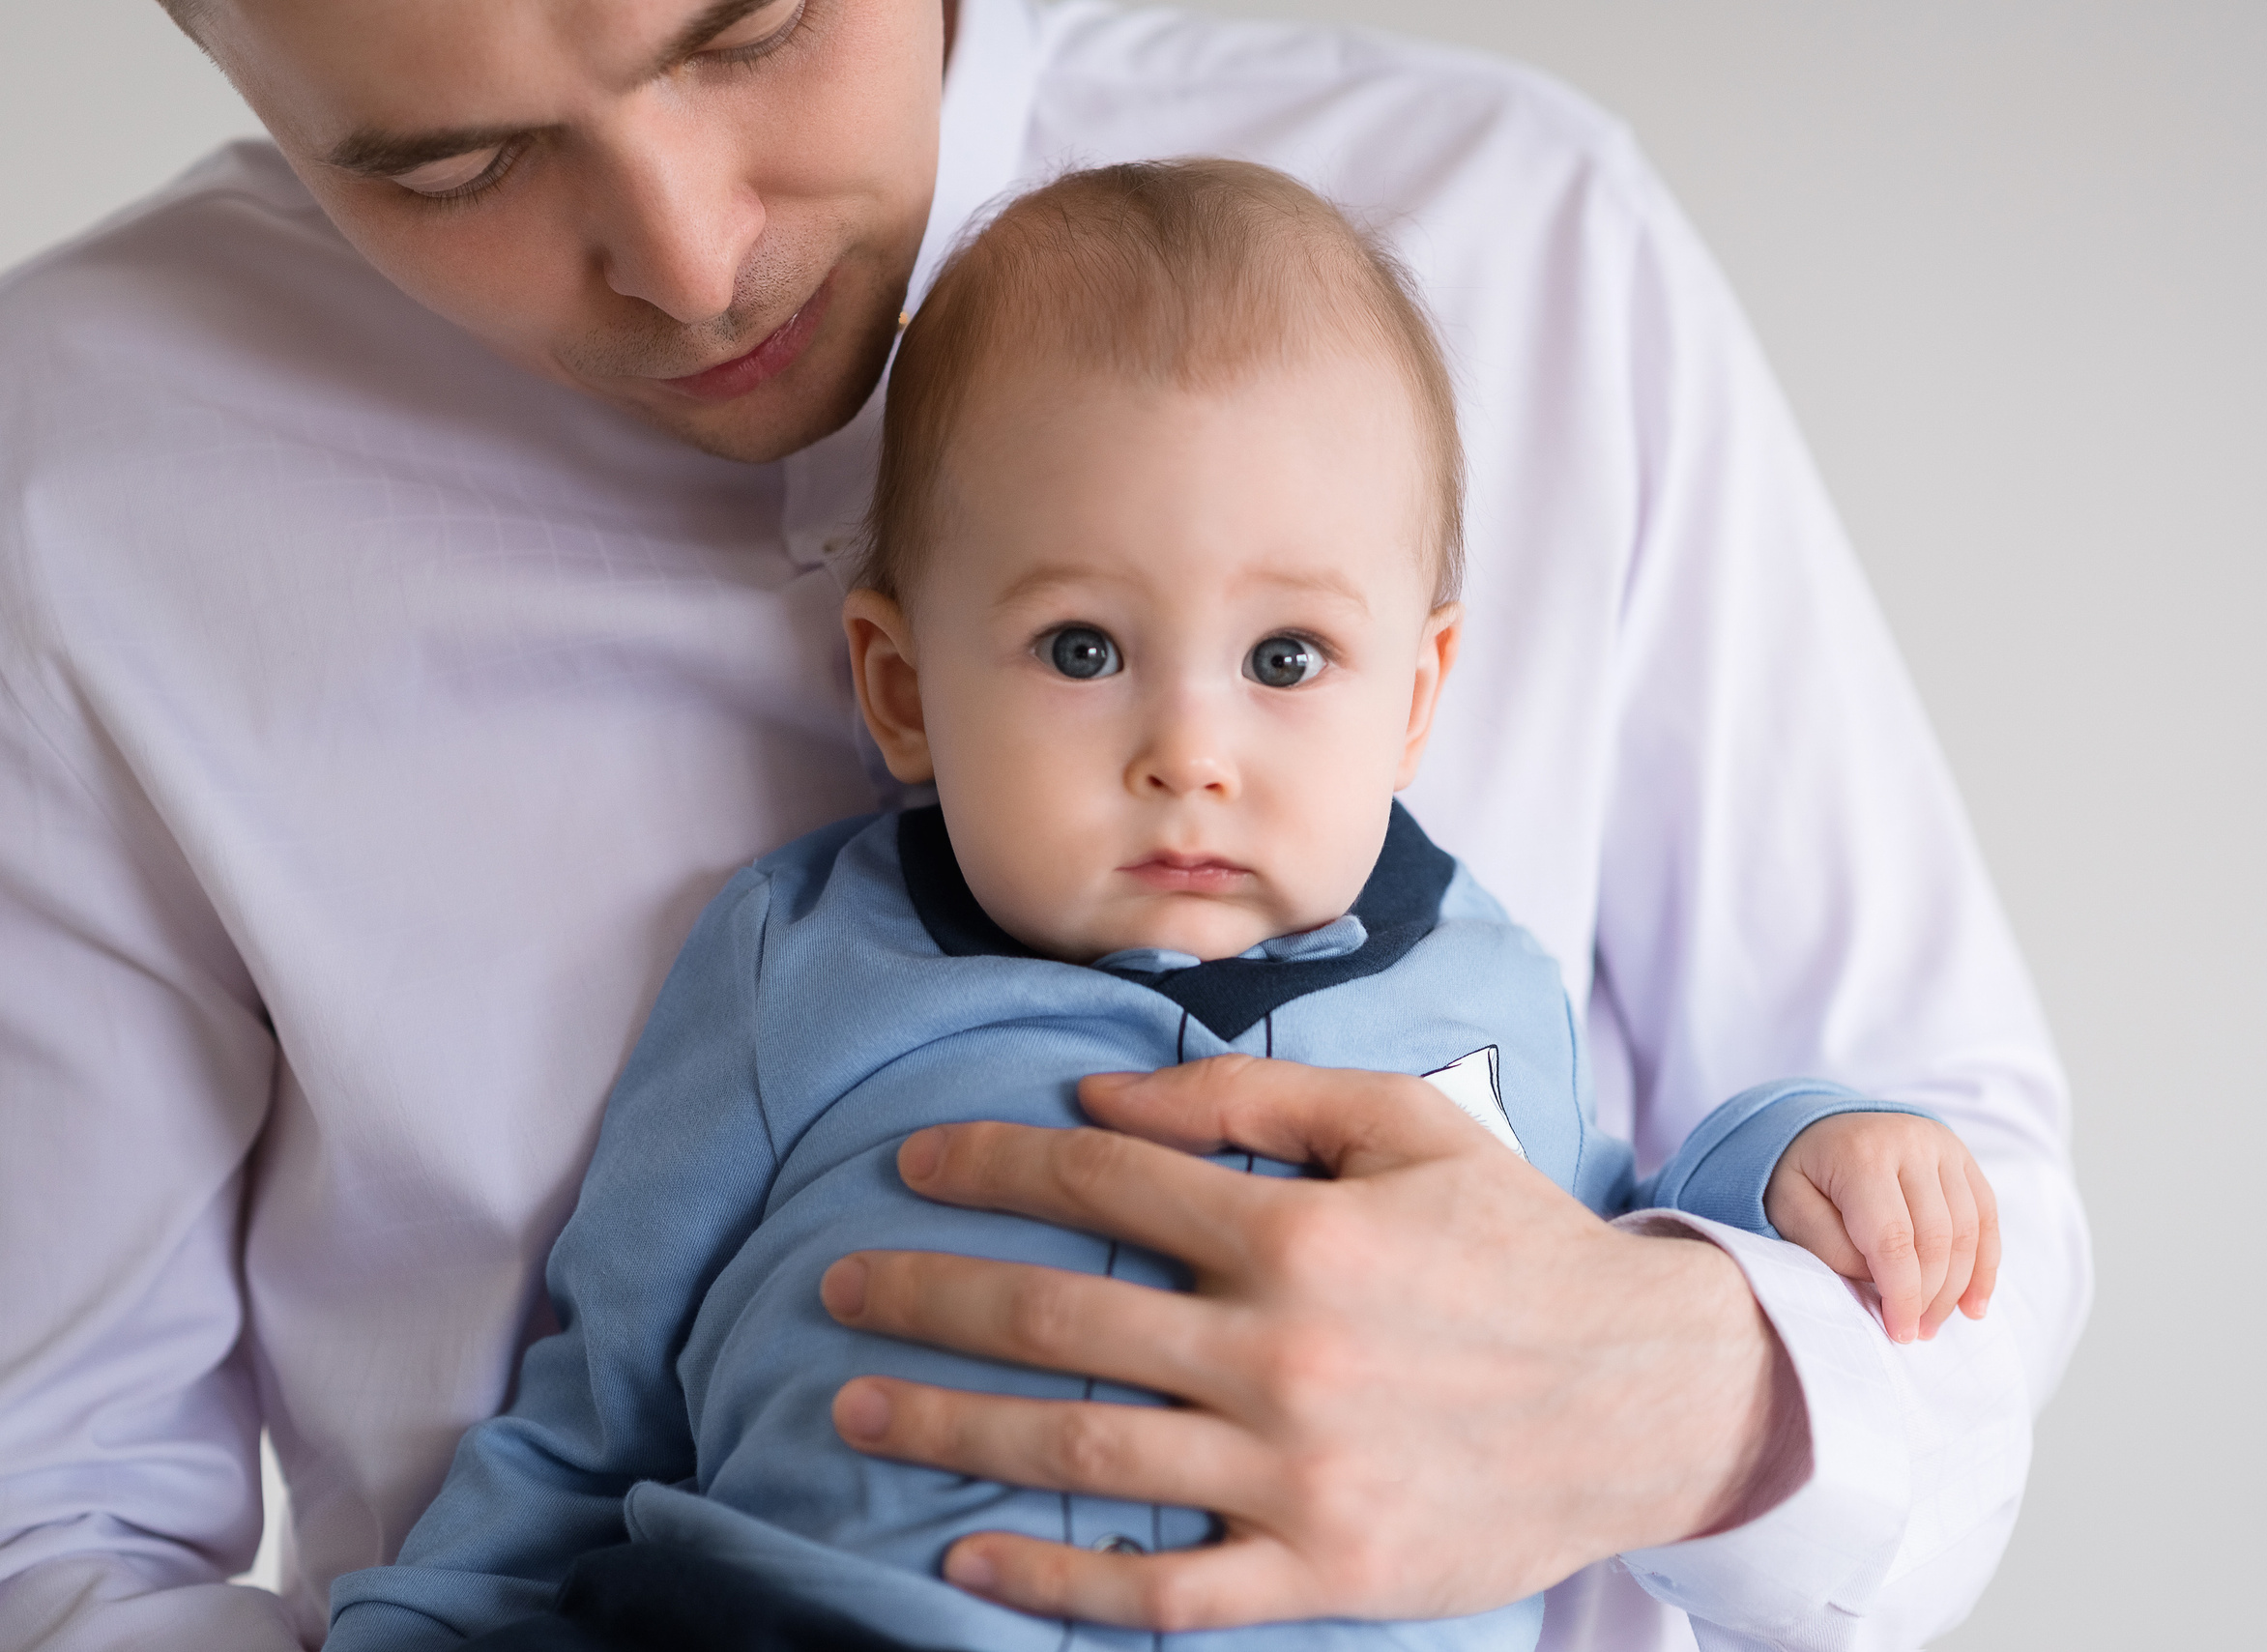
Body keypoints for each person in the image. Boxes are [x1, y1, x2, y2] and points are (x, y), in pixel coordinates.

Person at [0, 2, 2091, 1650]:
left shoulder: (1520, 231)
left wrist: (1707, 1388)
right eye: (454, 160)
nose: (689, 249)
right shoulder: (79, 469)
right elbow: (51, 1517)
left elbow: (1921, 1186)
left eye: (747, 27)